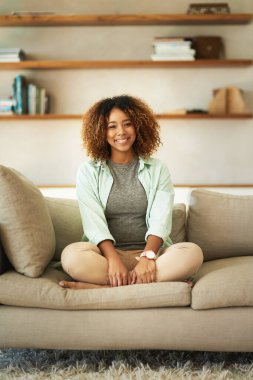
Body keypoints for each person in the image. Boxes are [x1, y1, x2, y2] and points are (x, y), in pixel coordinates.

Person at [59, 95, 203, 289]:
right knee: (71, 256)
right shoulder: (88, 171)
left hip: (152, 257)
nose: (121, 132)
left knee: (192, 253)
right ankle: (146, 284)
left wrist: (147, 257)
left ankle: (104, 288)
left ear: (138, 126)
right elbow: (93, 224)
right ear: (100, 131)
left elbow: (161, 219)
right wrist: (113, 260)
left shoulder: (158, 169)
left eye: (127, 124)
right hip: (105, 258)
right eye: (112, 126)